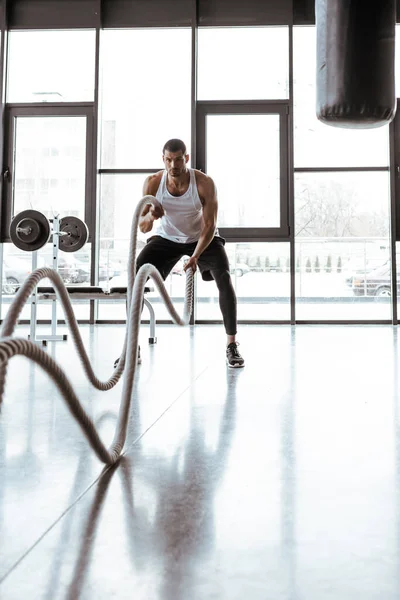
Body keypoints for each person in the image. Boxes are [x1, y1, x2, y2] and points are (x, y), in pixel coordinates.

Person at [137, 138, 245, 368]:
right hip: (166, 238)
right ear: (163, 159)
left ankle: (231, 345)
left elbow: (209, 225)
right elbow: (143, 226)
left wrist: (195, 256)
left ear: (186, 158)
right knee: (136, 277)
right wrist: (150, 216)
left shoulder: (204, 183)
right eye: (168, 160)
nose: (173, 165)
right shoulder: (153, 183)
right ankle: (131, 346)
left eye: (178, 159)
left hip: (201, 239)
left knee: (224, 278)